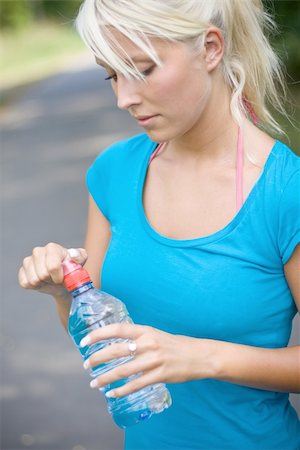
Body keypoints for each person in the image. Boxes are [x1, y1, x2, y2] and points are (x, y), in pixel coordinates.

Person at [18, 0, 300, 449]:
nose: (123, 98)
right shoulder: (114, 171)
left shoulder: (286, 192)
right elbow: (102, 340)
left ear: (210, 49)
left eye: (142, 69)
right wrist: (63, 291)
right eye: (112, 75)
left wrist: (203, 357)